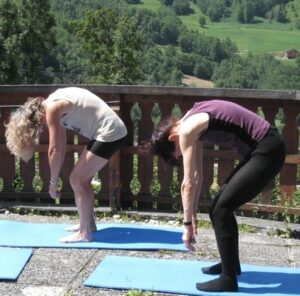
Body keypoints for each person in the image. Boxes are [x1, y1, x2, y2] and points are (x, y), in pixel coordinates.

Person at [150, 100, 285, 292]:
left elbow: (187, 183)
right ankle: (231, 265)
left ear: (173, 138)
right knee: (219, 208)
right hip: (263, 148)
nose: (179, 157)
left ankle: (228, 280)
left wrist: (186, 225)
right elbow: (196, 177)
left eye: (176, 155)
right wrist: (192, 213)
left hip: (268, 150)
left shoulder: (188, 130)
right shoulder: (190, 119)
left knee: (221, 209)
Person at [5, 87, 127, 243]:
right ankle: (89, 225)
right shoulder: (54, 104)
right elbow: (60, 147)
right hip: (107, 131)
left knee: (77, 179)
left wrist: (53, 183)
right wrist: (54, 181)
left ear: (36, 118)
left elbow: (54, 150)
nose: (42, 128)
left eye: (39, 126)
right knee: (82, 179)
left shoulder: (52, 109)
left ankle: (85, 233)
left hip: (110, 132)